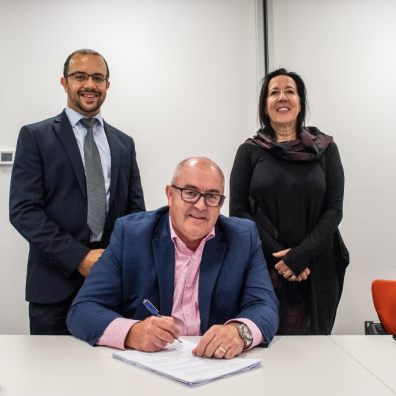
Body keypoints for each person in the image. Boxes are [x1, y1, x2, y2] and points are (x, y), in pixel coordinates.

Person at [67, 157, 279, 359]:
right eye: (190, 192)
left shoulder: (243, 237)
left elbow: (265, 306)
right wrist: (132, 333)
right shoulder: (131, 234)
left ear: (221, 203)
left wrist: (239, 333)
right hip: (147, 367)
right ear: (170, 194)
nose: (201, 206)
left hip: (215, 365)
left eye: (212, 196)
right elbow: (83, 309)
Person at [9, 48, 146, 335]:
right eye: (80, 76)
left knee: (109, 373)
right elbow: (24, 211)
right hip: (53, 285)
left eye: (98, 78)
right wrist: (79, 258)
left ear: (107, 85)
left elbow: (135, 215)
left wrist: (118, 262)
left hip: (110, 284)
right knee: (52, 376)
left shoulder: (124, 144)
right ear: (64, 82)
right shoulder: (36, 136)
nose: (90, 85)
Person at [229, 68, 349, 335]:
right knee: (263, 342)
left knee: (315, 350)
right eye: (274, 92)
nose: (282, 97)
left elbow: (334, 209)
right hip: (263, 264)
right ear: (265, 105)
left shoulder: (326, 149)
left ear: (300, 102)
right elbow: (238, 211)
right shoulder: (249, 151)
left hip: (318, 267)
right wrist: (281, 257)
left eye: (290, 91)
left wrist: (301, 255)